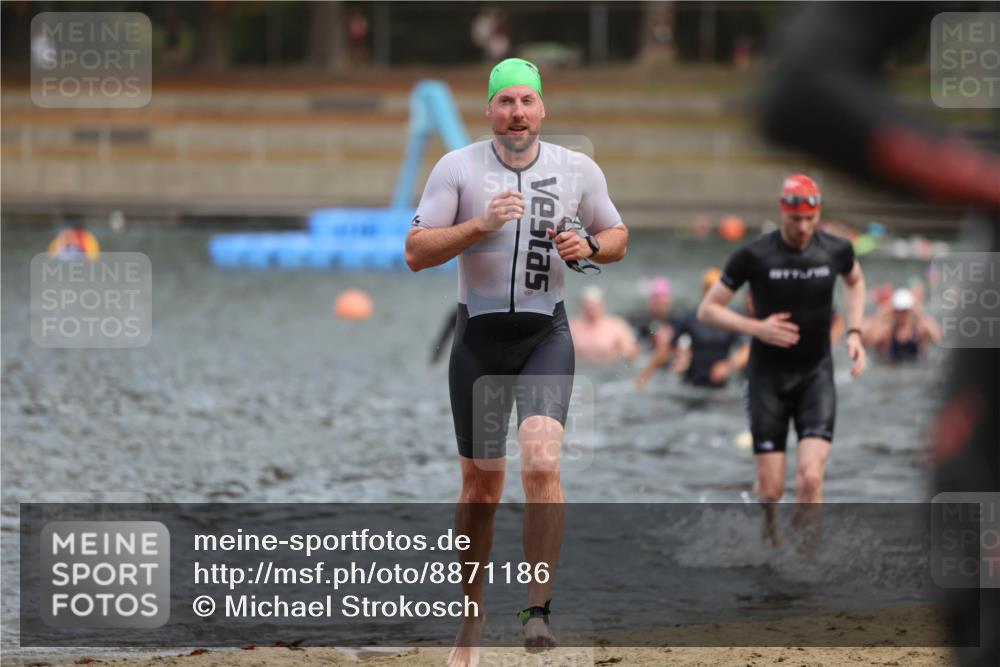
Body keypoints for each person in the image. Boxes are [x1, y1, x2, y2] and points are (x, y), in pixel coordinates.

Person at [405, 57, 628, 667]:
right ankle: (469, 627)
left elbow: (618, 237)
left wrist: (591, 246)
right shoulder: (457, 168)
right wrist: (480, 224)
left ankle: (537, 612)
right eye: (506, 102)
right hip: (478, 341)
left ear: (542, 108)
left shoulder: (576, 169)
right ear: (490, 110)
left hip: (544, 336)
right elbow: (416, 251)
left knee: (540, 459)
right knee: (481, 486)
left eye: (527, 101)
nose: (518, 113)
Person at [697, 174, 867, 530]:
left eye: (810, 219)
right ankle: (770, 535)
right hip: (767, 378)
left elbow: (855, 281)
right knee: (772, 491)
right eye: (795, 220)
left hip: (815, 375)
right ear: (782, 212)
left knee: (809, 478)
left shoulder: (836, 249)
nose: (803, 227)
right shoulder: (755, 254)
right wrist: (757, 328)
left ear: (818, 214)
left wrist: (854, 330)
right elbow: (708, 310)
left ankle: (805, 564)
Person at [636, 268, 749, 390]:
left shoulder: (730, 320)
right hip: (692, 386)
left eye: (720, 291)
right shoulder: (691, 318)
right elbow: (668, 348)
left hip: (719, 388)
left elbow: (747, 350)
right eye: (710, 289)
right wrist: (645, 376)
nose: (717, 295)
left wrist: (728, 366)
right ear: (704, 291)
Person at [863, 287, 941, 363]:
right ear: (893, 311)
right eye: (898, 311)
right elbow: (866, 340)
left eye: (905, 311)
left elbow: (936, 337)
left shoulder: (919, 330)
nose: (902, 315)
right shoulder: (887, 331)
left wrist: (920, 314)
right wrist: (880, 314)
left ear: (911, 311)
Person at [569, 286, 639, 365]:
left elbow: (631, 352)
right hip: (581, 370)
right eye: (588, 304)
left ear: (602, 305)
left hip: (609, 371)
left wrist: (615, 356)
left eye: (594, 304)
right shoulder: (572, 327)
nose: (591, 307)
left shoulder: (616, 326)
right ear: (582, 306)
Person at [626, 276, 676, 351]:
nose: (660, 309)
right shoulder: (639, 320)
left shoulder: (675, 321)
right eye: (657, 304)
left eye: (664, 305)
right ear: (650, 302)